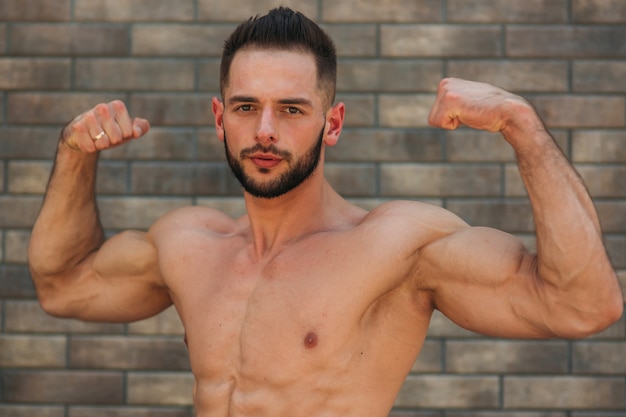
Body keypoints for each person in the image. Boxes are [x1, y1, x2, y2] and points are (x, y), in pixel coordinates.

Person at [28, 6, 623, 417]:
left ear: (330, 123)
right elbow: (62, 285)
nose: (264, 130)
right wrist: (75, 153)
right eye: (245, 107)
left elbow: (583, 305)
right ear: (219, 118)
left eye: (290, 109)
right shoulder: (187, 245)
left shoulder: (396, 247)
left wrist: (521, 125)